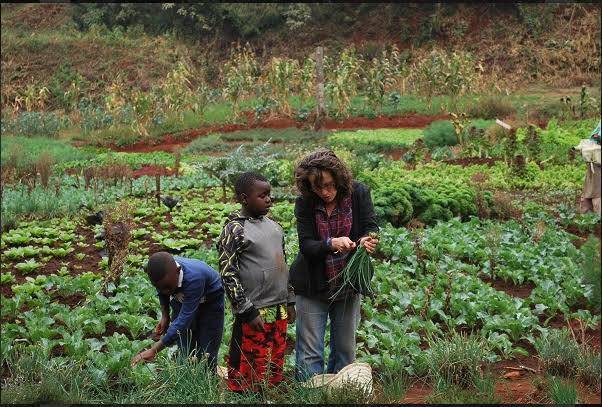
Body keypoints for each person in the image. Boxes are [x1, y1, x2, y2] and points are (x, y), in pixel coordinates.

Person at [290, 149, 379, 381]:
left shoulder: (358, 193)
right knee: (309, 353)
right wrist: (331, 243)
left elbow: (371, 226)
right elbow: (307, 246)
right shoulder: (305, 203)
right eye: (317, 187)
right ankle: (310, 395)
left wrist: (365, 241)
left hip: (347, 283)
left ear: (339, 179)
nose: (325, 192)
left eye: (329, 185)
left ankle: (340, 392)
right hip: (312, 285)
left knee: (345, 349)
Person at [216, 171, 296, 392]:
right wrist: (246, 310)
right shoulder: (234, 229)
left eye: (269, 194)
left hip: (279, 306)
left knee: (276, 353)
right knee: (250, 357)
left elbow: (284, 266)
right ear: (244, 198)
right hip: (255, 310)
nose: (269, 199)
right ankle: (245, 394)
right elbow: (228, 274)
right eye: (262, 195)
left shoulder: (274, 226)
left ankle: (269, 390)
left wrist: (290, 300)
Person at [131, 252, 225, 372]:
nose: (165, 291)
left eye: (168, 287)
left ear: (178, 270)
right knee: (184, 344)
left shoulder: (194, 278)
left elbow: (183, 321)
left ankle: (208, 380)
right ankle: (187, 376)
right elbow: (162, 290)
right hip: (182, 297)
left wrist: (153, 350)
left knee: (207, 348)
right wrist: (165, 316)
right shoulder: (161, 274)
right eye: (160, 287)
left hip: (210, 301)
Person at [578, 120, 601, 215]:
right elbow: (593, 136)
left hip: (594, 160)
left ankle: (587, 214)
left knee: (591, 190)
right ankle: (592, 216)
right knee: (596, 191)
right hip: (596, 162)